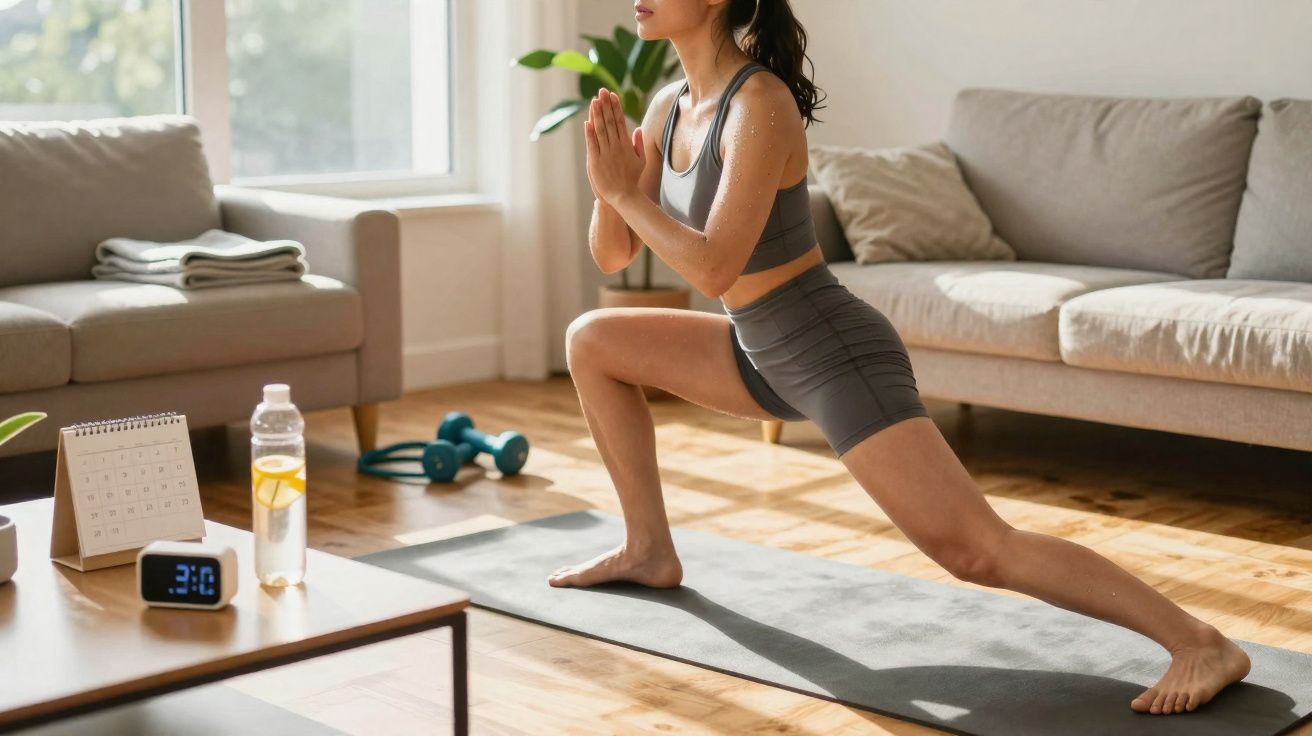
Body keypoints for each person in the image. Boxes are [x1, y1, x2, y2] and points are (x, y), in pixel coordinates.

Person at [552, 0, 1251, 716]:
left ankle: (1198, 640)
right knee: (592, 341)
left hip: (831, 353)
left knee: (976, 549)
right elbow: (614, 254)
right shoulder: (668, 104)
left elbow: (713, 269)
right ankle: (648, 549)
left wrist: (620, 192)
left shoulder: (759, 103)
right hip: (755, 348)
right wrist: (611, 193)